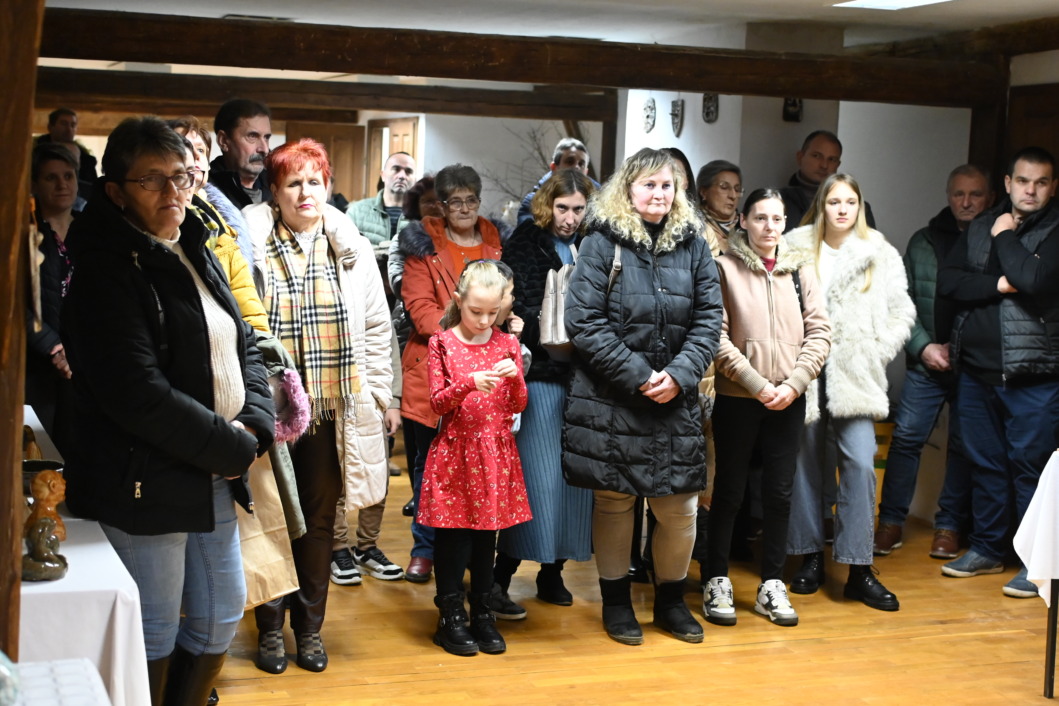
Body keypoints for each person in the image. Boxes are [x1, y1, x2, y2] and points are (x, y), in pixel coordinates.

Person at [60, 116, 275, 706]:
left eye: (181, 176)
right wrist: (233, 446)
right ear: (115, 191)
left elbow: (242, 340)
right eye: (151, 180)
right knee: (153, 624)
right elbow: (136, 392)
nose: (173, 191)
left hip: (212, 466)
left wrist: (256, 420)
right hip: (144, 475)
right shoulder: (105, 269)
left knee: (221, 613)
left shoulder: (191, 244)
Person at [244, 138, 393, 673]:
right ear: (275, 191)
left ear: (327, 186)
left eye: (315, 181)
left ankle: (308, 630)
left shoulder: (350, 246)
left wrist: (380, 396)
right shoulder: (250, 243)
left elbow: (375, 327)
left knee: (319, 521)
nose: (305, 192)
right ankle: (268, 629)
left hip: (334, 409)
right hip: (272, 407)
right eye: (293, 182)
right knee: (270, 516)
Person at [563, 147, 722, 645]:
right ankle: (616, 604)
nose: (659, 194)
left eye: (667, 185)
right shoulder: (601, 240)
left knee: (679, 508)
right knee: (615, 503)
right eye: (649, 184)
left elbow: (709, 321)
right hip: (614, 397)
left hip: (675, 398)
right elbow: (583, 322)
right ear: (627, 189)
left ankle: (670, 603)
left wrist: (678, 374)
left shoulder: (693, 243)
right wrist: (640, 375)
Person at [785, 173, 914, 612]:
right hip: (804, 369)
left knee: (859, 463)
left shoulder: (879, 250)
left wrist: (877, 351)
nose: (842, 209)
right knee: (804, 464)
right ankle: (808, 557)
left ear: (859, 207)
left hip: (856, 373)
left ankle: (859, 567)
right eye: (834, 202)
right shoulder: (795, 246)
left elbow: (902, 310)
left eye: (850, 202)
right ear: (821, 205)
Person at [704, 189, 831, 628]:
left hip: (789, 400)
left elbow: (820, 332)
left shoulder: (801, 271)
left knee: (779, 494)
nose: (769, 227)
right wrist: (757, 384)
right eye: (760, 218)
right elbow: (716, 336)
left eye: (777, 219)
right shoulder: (724, 268)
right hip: (738, 398)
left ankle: (772, 585)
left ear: (785, 223)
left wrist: (794, 384)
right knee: (729, 492)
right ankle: (716, 579)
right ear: (744, 220)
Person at [937, 146, 1059, 598]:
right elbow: (950, 281)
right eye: (1022, 181)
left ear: (1052, 187)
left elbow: (1035, 280)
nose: (1030, 190)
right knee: (985, 464)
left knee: (1031, 470)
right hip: (976, 370)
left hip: (1034, 375)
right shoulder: (978, 226)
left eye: (1041, 182)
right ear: (1008, 184)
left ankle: (1034, 565)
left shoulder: (1053, 230)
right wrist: (997, 284)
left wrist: (1005, 235)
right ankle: (988, 548)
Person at [873, 165, 994, 559]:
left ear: (990, 198)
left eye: (975, 194)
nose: (966, 202)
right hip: (926, 364)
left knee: (962, 446)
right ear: (948, 195)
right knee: (907, 439)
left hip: (974, 366)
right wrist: (924, 348)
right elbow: (901, 304)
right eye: (959, 193)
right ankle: (890, 522)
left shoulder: (997, 242)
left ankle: (949, 527)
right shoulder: (923, 241)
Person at [398, 164, 504, 584]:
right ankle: (425, 549)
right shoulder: (422, 246)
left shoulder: (495, 244)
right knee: (430, 466)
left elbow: (506, 298)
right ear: (440, 206)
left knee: (480, 467)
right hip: (433, 369)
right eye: (454, 201)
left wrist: (494, 326)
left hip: (488, 372)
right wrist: (471, 330)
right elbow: (421, 310)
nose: (463, 208)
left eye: (470, 200)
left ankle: (472, 552)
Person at [418, 260, 530, 656]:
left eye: (492, 312)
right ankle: (450, 616)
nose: (484, 321)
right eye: (475, 311)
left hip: (495, 453)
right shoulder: (442, 343)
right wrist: (467, 383)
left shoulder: (507, 344)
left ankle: (483, 612)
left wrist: (515, 378)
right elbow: (436, 403)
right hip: (456, 452)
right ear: (458, 301)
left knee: (487, 537)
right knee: (453, 537)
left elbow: (517, 404)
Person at [495, 169, 596, 608]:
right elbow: (515, 307)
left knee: (574, 483)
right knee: (535, 481)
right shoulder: (525, 241)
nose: (570, 218)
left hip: (584, 379)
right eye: (562, 208)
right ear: (546, 205)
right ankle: (501, 575)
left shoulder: (593, 243)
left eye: (578, 209)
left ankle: (552, 572)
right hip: (540, 377)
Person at [25, 144, 80, 459]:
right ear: (34, 184)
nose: (62, 184)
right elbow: (13, 303)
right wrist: (54, 347)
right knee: (40, 455)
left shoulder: (92, 231)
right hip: (39, 361)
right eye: (51, 178)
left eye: (68, 176)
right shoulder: (24, 232)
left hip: (85, 360)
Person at [780, 130, 875, 232]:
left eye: (832, 159)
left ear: (838, 165)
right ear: (800, 157)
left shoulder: (858, 209)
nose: (824, 165)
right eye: (816, 156)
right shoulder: (777, 201)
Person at [516, 137, 598, 226]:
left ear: (586, 172)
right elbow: (525, 233)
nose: (576, 167)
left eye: (581, 164)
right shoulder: (533, 203)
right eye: (570, 162)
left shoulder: (597, 205)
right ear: (554, 168)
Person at [209, 98, 273, 209]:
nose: (265, 149)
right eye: (252, 136)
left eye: (266, 138)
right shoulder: (204, 191)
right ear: (223, 141)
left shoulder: (277, 186)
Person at [346, 152, 415, 246]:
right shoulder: (356, 212)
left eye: (408, 171)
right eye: (396, 169)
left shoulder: (422, 215)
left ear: (415, 179)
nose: (402, 176)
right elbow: (346, 249)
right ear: (383, 175)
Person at [35, 107, 98, 198]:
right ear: (51, 127)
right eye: (64, 124)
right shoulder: (35, 153)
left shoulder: (86, 159)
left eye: (73, 125)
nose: (69, 129)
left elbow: (93, 188)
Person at [696, 160, 742, 253]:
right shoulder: (694, 228)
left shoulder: (747, 226)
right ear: (704, 192)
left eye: (737, 189)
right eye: (724, 187)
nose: (733, 196)